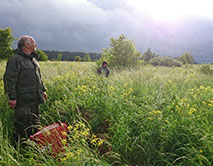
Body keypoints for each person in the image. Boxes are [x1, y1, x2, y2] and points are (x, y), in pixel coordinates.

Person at [3, 35, 47, 143]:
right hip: (23, 101)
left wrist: (43, 90)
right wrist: (12, 98)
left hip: (35, 100)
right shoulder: (15, 59)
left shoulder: (33, 59)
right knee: (22, 128)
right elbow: (9, 80)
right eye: (33, 42)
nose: (35, 44)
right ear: (26, 45)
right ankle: (20, 151)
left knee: (35, 126)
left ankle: (34, 149)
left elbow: (39, 78)